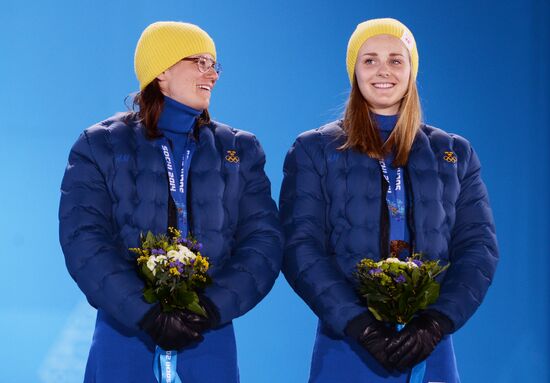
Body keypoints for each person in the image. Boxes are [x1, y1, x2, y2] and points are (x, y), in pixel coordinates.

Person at [59, 21, 282, 383]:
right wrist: (144, 313)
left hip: (208, 333)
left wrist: (210, 307)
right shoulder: (99, 145)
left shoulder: (240, 148)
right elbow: (84, 242)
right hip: (126, 332)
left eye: (215, 65)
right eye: (200, 62)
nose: (212, 74)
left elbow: (264, 243)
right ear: (161, 71)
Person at [279, 18, 498, 382]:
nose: (383, 71)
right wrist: (358, 324)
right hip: (347, 343)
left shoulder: (455, 153)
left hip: (429, 346)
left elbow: (479, 249)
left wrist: (436, 322)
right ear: (354, 71)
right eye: (370, 60)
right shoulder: (313, 150)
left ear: (411, 69)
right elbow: (300, 247)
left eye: (396, 59)